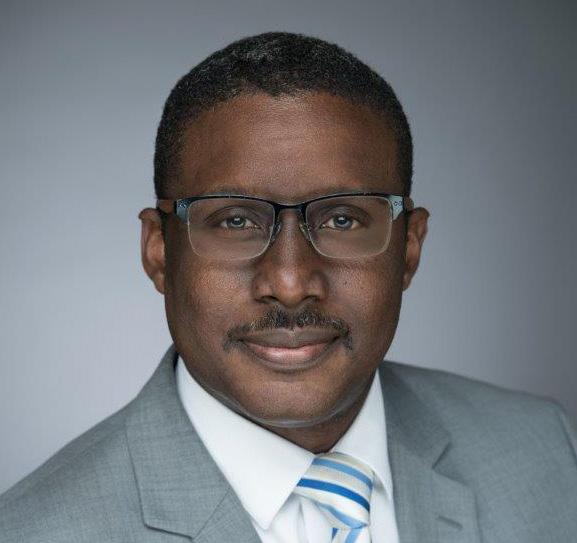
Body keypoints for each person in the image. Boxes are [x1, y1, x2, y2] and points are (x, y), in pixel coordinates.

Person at [1, 31, 576, 543]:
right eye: (235, 221)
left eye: (343, 219)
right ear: (159, 252)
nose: (292, 283)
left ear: (408, 248)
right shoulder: (36, 531)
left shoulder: (546, 452)